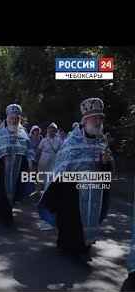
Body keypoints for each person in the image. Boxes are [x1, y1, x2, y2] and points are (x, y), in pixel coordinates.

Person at [38, 98, 114, 261]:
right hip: (73, 191)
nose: (99, 122)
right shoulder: (72, 142)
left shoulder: (102, 142)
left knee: (90, 218)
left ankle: (86, 245)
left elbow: (108, 169)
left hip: (94, 191)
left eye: (100, 118)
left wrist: (106, 163)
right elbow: (61, 167)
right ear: (86, 120)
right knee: (73, 220)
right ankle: (72, 247)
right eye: (95, 118)